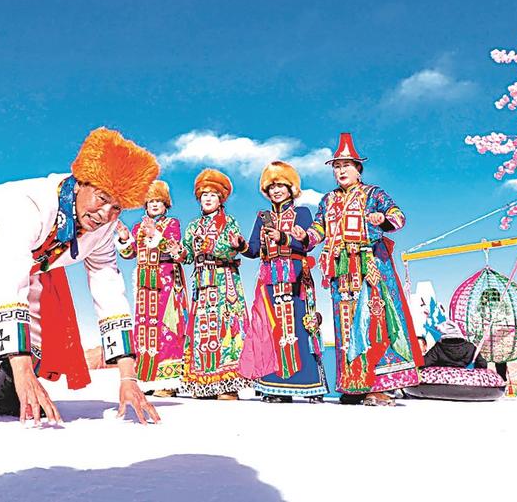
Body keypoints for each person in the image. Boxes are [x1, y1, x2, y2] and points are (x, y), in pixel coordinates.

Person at [0, 127, 162, 425]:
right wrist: (24, 371)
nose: (105, 214)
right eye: (102, 197)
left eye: (117, 207)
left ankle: (5, 395)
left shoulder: (104, 229)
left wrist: (128, 378)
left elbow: (109, 291)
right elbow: (8, 280)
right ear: (81, 182)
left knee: (38, 316)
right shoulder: (30, 205)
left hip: (14, 259)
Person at [303, 133, 422, 406]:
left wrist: (383, 218)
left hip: (370, 268)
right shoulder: (328, 200)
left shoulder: (374, 193)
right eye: (336, 166)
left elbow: (399, 216)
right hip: (340, 272)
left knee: (373, 322)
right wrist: (303, 236)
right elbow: (318, 229)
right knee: (345, 326)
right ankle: (353, 384)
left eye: (346, 165)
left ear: (358, 169)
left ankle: (377, 385)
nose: (341, 170)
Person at [238, 161, 328, 403]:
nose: (276, 190)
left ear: (291, 188)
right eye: (271, 186)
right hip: (269, 278)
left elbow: (307, 243)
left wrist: (285, 237)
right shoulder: (262, 217)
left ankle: (310, 386)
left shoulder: (302, 213)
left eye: (280, 185)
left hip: (296, 276)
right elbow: (254, 250)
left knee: (301, 326)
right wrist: (241, 245)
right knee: (272, 328)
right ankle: (275, 387)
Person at [169, 168, 250, 400]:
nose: (207, 198)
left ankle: (227, 385)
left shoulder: (229, 222)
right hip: (202, 284)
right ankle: (204, 384)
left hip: (224, 282)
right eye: (204, 194)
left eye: (213, 194)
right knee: (201, 331)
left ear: (221, 199)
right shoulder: (193, 226)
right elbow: (187, 255)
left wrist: (234, 244)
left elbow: (233, 248)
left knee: (226, 329)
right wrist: (178, 252)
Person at [115, 180, 189, 397]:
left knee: (167, 329)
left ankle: (168, 383)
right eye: (150, 201)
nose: (154, 204)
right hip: (144, 287)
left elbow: (172, 250)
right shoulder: (138, 228)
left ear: (166, 204)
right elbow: (130, 254)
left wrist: (155, 233)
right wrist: (124, 238)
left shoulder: (172, 224)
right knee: (145, 330)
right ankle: (149, 380)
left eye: (159, 200)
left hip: (166, 283)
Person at [423, 321, 488, 369]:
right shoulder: (471, 347)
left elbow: (424, 363)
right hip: (464, 381)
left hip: (443, 381)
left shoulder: (438, 347)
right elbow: (483, 365)